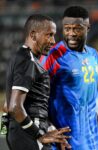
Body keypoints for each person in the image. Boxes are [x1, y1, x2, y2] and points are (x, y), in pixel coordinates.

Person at [40, 6, 98, 150]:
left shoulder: (93, 55)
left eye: (77, 29)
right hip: (68, 144)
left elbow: (90, 103)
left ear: (88, 28)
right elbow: (35, 99)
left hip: (95, 143)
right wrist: (49, 128)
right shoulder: (53, 55)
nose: (71, 34)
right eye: (67, 28)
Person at [5, 14, 71, 150]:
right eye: (49, 35)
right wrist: (39, 135)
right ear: (33, 35)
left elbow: (7, 106)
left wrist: (51, 130)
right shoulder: (28, 61)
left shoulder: (21, 58)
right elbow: (14, 107)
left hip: (23, 134)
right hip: (29, 136)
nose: (53, 41)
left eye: (54, 35)